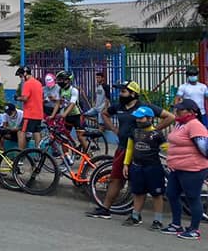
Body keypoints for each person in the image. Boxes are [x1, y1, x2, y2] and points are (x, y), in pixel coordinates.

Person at [86, 81, 174, 219]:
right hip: (122, 148)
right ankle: (105, 209)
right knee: (116, 179)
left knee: (139, 183)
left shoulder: (144, 107)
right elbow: (104, 114)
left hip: (140, 151)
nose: (120, 94)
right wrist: (114, 129)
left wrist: (152, 132)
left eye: (123, 91)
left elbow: (170, 117)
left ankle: (137, 215)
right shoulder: (119, 106)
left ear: (133, 94)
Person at [160, 98, 208, 239]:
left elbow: (204, 148)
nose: (177, 111)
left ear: (191, 112)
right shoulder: (179, 124)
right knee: (171, 194)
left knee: (192, 197)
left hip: (192, 169)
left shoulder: (195, 125)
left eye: (180, 109)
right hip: (177, 168)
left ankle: (194, 229)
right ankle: (176, 224)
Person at [122, 107, 167, 229]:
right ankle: (135, 216)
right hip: (137, 167)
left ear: (150, 119)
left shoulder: (157, 134)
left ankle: (158, 220)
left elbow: (166, 148)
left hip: (153, 168)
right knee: (138, 193)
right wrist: (126, 164)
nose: (138, 120)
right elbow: (129, 148)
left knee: (157, 194)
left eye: (141, 118)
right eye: (137, 118)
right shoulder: (134, 132)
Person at [51, 71, 86, 152]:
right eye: (58, 80)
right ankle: (66, 157)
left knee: (80, 137)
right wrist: (52, 115)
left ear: (67, 80)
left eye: (60, 80)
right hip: (67, 116)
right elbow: (58, 103)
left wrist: (64, 114)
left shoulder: (74, 90)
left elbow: (72, 104)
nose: (58, 82)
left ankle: (89, 156)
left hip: (77, 116)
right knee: (64, 137)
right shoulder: (60, 90)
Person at [14, 66, 43, 151]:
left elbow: (25, 98)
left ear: (25, 74)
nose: (21, 78)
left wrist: (17, 98)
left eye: (20, 76)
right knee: (36, 132)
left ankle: (21, 154)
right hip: (39, 113)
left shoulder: (27, 83)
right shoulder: (38, 83)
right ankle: (39, 153)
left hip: (30, 114)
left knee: (21, 132)